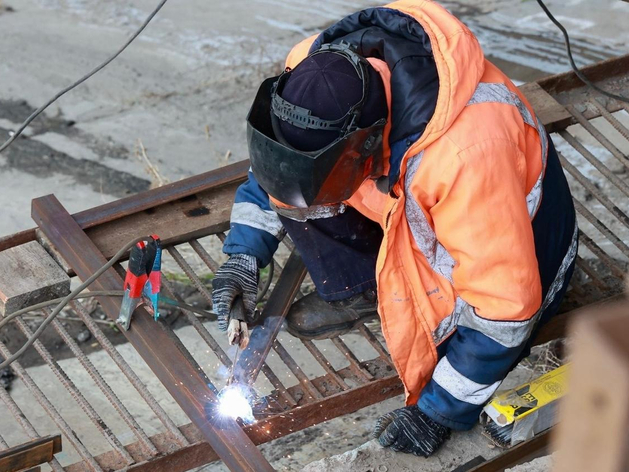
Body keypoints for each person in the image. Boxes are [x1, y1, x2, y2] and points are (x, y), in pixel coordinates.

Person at [211, 0, 577, 457]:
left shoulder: (465, 154)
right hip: (416, 199)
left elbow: (505, 309)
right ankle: (368, 287)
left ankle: (420, 321)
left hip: (523, 251)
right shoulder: (312, 70)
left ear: (365, 144)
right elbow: (276, 173)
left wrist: (437, 411)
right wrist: (244, 255)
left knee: (474, 332)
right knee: (306, 180)